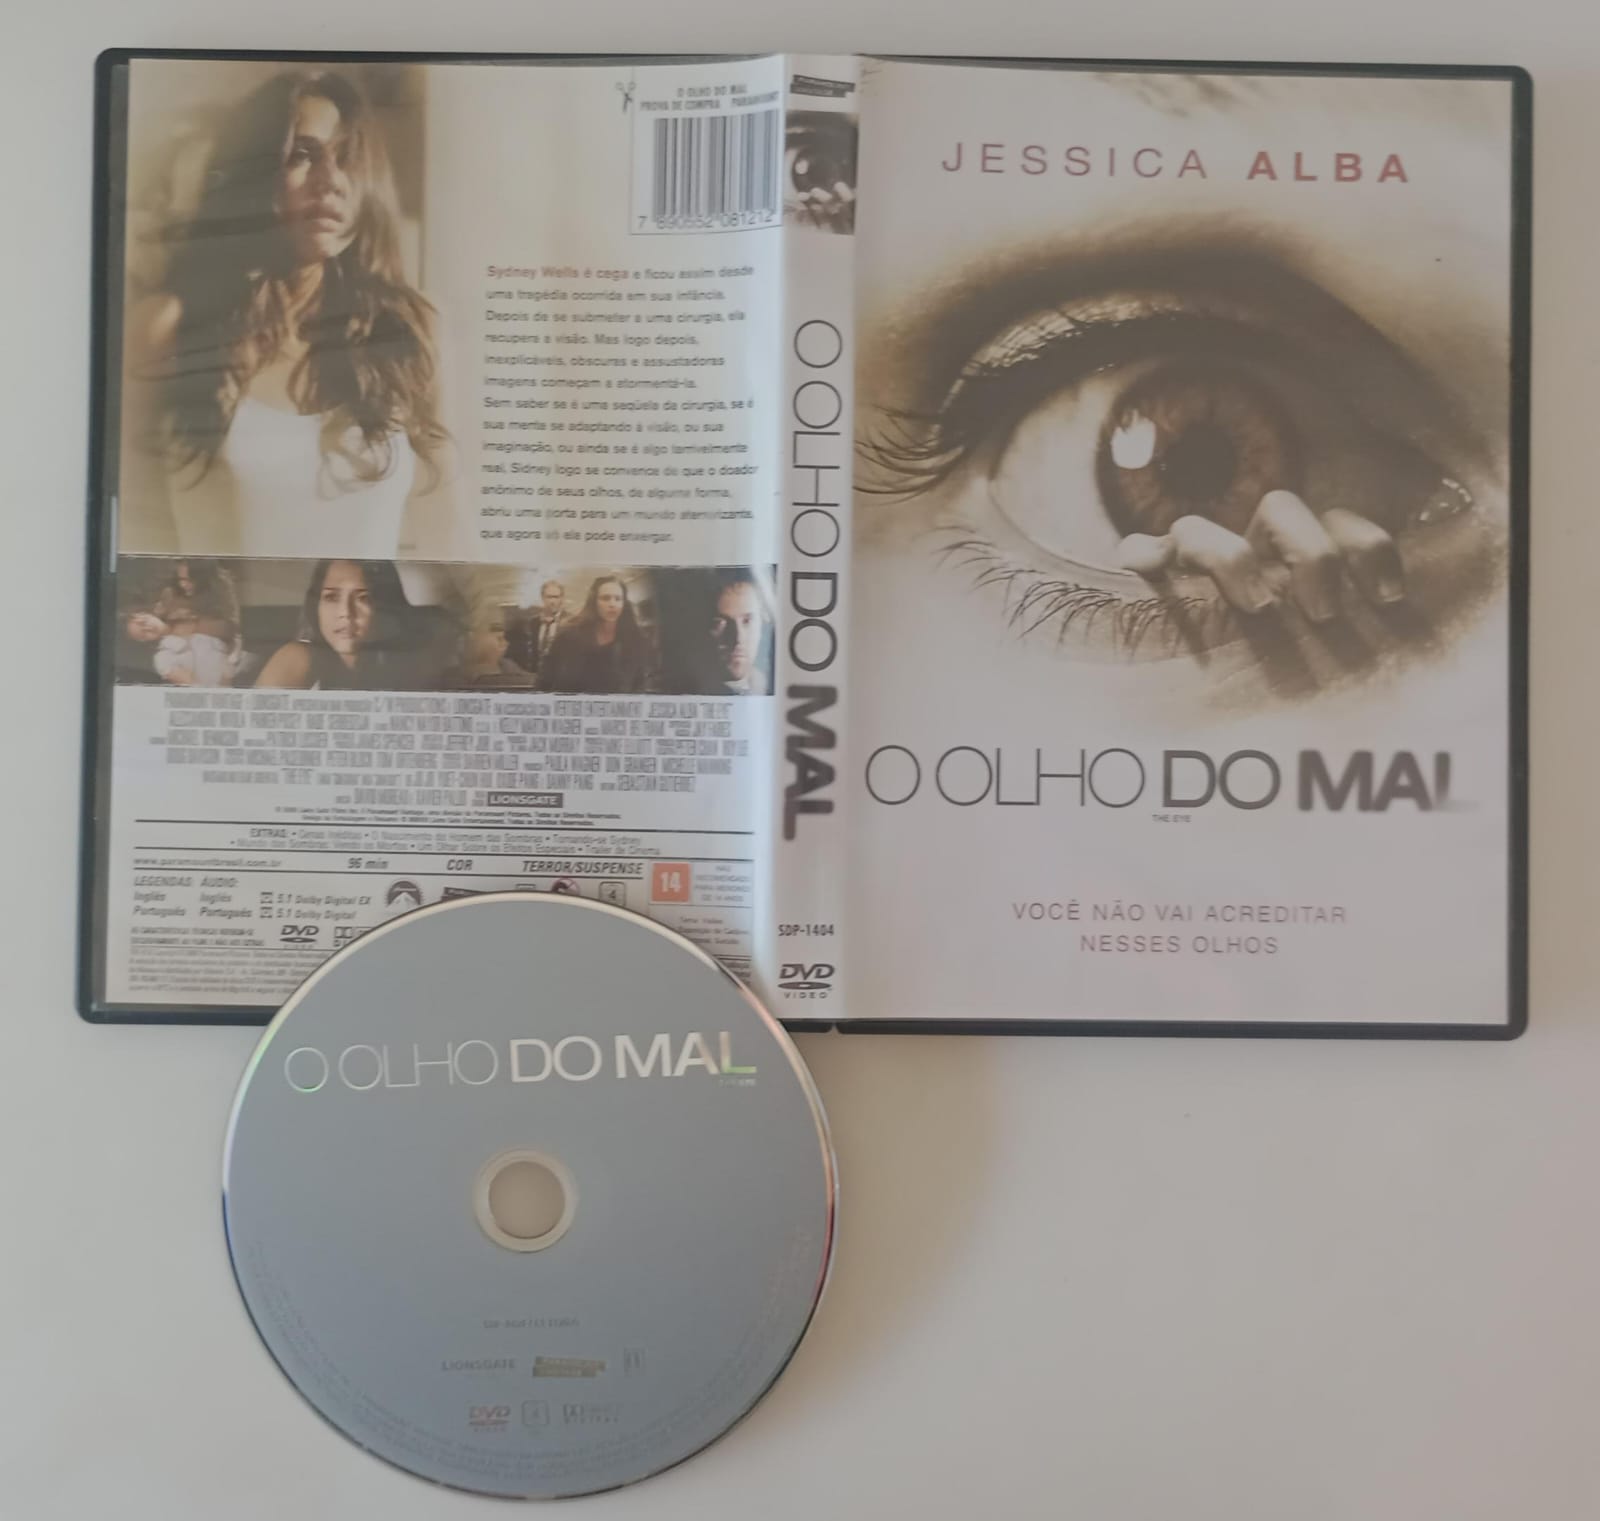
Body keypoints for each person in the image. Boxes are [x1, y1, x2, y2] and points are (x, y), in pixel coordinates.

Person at [121, 69, 449, 560]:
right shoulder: (165, 326)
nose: (331, 181)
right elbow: (129, 533)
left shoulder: (409, 326)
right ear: (248, 176)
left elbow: (450, 525)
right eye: (301, 155)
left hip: (369, 611)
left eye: (346, 158)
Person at [254, 558, 416, 689]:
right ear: (316, 606)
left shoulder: (405, 666)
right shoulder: (298, 657)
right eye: (331, 597)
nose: (345, 612)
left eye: (363, 598)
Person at [124, 559, 242, 686]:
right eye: (143, 634)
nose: (148, 628)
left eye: (143, 622)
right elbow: (195, 685)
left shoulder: (175, 605)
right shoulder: (163, 657)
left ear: (145, 614)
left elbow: (231, 630)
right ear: (145, 641)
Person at [537, 575, 652, 694]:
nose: (612, 604)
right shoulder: (568, 636)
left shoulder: (634, 640)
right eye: (605, 598)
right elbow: (545, 679)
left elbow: (638, 684)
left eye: (618, 599)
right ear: (594, 602)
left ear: (624, 603)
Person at [699, 572, 773, 694]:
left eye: (747, 621)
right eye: (722, 623)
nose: (738, 638)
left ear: (763, 621)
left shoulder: (771, 685)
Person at [513, 578, 569, 679]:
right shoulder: (533, 623)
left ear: (562, 599)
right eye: (549, 597)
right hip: (535, 677)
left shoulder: (570, 623)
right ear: (542, 598)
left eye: (556, 597)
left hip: (561, 679)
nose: (552, 601)